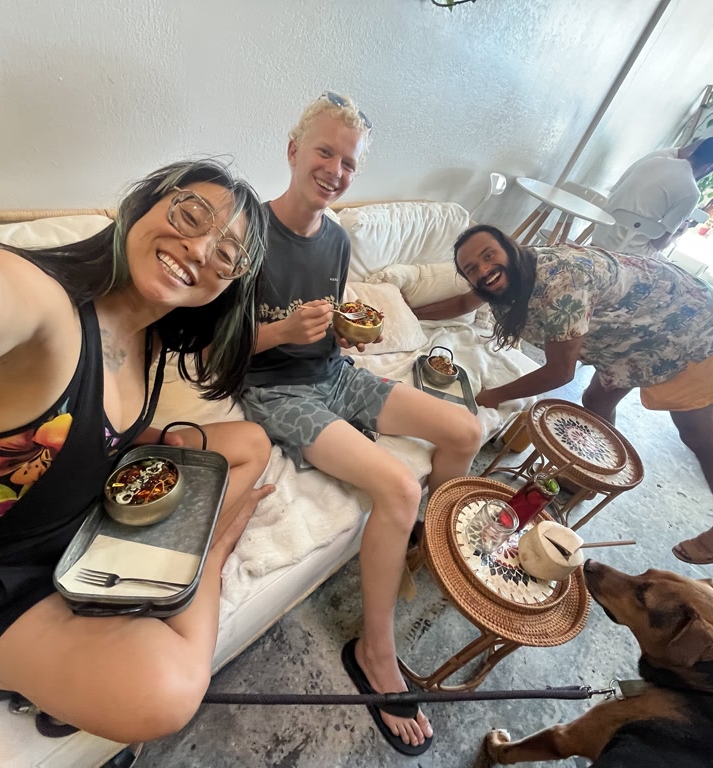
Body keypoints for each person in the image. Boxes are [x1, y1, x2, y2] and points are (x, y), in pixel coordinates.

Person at [0, 140, 277, 743]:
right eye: (190, 215)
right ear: (139, 207)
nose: (200, 249)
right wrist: (218, 545)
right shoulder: (42, 311)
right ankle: (208, 559)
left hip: (82, 520)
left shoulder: (148, 339)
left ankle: (173, 563)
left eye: (226, 254)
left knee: (250, 441)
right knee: (167, 691)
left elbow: (95, 432)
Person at [240, 93, 482, 755]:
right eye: (325, 152)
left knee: (466, 431)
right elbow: (216, 353)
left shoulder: (338, 239)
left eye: (349, 162)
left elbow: (329, 325)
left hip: (330, 375)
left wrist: (342, 339)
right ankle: (375, 654)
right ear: (293, 151)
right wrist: (282, 331)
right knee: (398, 487)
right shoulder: (250, 233)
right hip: (272, 392)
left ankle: (417, 545)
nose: (336, 170)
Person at [413, 225, 713, 566]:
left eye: (489, 256)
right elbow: (462, 301)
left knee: (698, 433)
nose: (484, 270)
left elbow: (559, 372)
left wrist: (496, 395)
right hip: (637, 326)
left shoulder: (560, 282)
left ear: (510, 248)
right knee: (597, 401)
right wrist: (410, 314)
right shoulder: (507, 275)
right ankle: (587, 480)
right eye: (472, 268)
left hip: (689, 324)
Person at [590, 135, 713, 256]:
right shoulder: (691, 193)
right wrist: (679, 232)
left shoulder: (655, 161)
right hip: (625, 252)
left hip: (600, 234)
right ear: (712, 166)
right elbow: (658, 244)